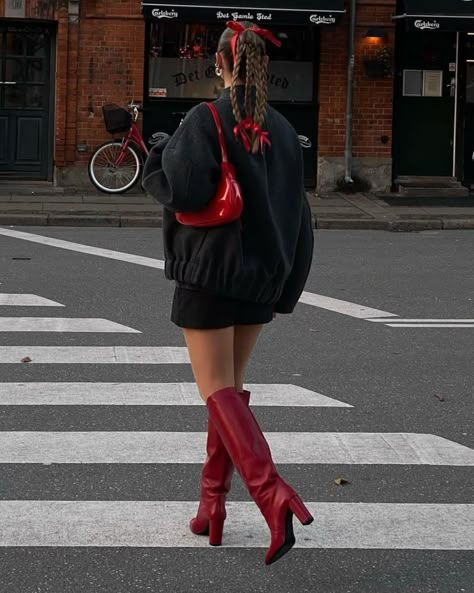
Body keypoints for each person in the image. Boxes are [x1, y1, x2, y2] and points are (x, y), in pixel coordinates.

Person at [143, 20, 314, 565]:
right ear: (266, 67)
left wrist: (161, 154)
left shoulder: (206, 117)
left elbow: (182, 188)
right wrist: (286, 285)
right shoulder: (285, 133)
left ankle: (271, 493)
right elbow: (300, 219)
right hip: (261, 280)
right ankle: (210, 508)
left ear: (220, 64)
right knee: (230, 392)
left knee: (216, 391)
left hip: (211, 275)